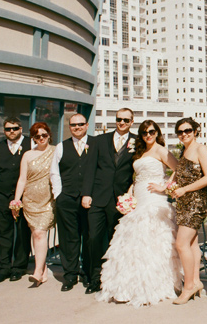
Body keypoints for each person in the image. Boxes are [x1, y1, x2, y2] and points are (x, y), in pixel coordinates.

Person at [95, 120, 182, 307]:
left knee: (151, 237)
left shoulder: (161, 150)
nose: (148, 135)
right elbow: (138, 177)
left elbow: (179, 169)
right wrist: (130, 192)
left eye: (151, 131)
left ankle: (153, 284)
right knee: (132, 241)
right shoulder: (140, 152)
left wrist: (164, 186)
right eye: (144, 132)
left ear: (157, 133)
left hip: (154, 198)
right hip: (139, 197)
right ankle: (128, 286)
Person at [83, 108, 136, 294]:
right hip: (98, 197)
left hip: (121, 201)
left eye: (126, 120)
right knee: (94, 239)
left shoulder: (137, 142)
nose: (122, 122)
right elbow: (90, 169)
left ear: (132, 122)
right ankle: (95, 279)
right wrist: (86, 194)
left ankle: (115, 279)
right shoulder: (99, 140)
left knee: (117, 241)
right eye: (119, 119)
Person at [162, 118, 207, 305]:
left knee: (181, 244)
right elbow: (178, 175)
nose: (184, 134)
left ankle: (189, 286)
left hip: (196, 202)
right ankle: (197, 282)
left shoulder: (201, 149)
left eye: (188, 130)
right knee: (192, 245)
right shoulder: (185, 151)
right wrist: (168, 186)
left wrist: (185, 189)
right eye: (180, 131)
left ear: (195, 131)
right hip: (184, 203)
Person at [50, 114, 96, 292]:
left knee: (89, 237)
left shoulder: (95, 144)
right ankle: (70, 275)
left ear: (86, 125)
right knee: (69, 238)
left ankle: (87, 274)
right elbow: (55, 172)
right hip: (67, 199)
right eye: (73, 125)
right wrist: (58, 195)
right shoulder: (61, 146)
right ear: (69, 127)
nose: (77, 127)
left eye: (80, 124)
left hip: (89, 199)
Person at [0, 117, 32, 284]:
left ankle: (19, 268)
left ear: (21, 129)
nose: (11, 131)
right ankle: (2, 269)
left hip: (23, 197)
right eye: (8, 129)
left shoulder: (31, 144)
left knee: (22, 233)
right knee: (0, 233)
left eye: (15, 128)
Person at [12, 122, 55, 286]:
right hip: (30, 200)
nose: (41, 138)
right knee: (36, 235)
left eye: (44, 135)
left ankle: (37, 272)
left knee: (39, 233)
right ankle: (41, 270)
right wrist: (17, 200)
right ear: (33, 138)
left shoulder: (55, 151)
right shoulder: (28, 155)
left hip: (48, 200)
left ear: (49, 135)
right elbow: (22, 179)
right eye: (37, 136)